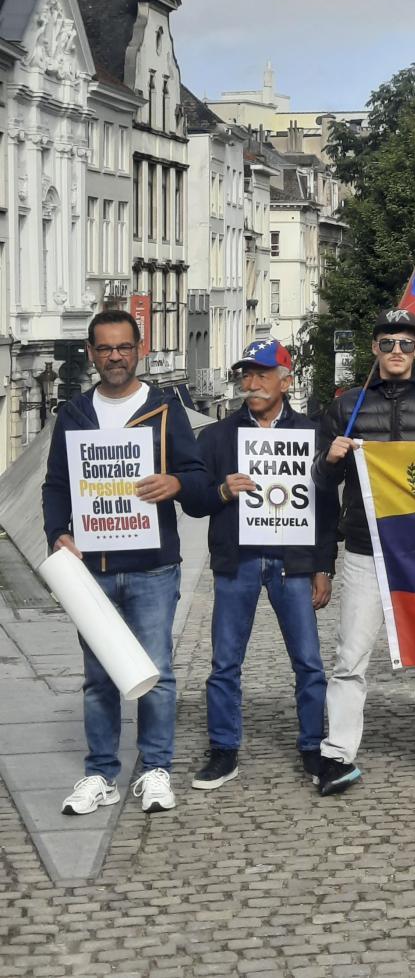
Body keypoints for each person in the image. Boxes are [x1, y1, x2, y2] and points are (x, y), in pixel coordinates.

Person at [42, 310, 210, 816]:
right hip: (91, 569)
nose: (115, 356)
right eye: (105, 348)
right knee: (98, 676)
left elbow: (199, 484)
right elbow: (55, 484)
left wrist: (177, 483)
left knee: (156, 670)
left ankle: (156, 767)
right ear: (91, 353)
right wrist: (58, 534)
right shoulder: (73, 414)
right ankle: (101, 774)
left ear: (139, 349)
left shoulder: (164, 409)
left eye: (123, 347)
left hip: (153, 566)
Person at [312, 308, 415, 797]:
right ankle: (337, 754)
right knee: (350, 658)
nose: (397, 351)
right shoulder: (345, 407)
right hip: (365, 548)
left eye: (406, 343)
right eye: (388, 343)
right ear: (375, 350)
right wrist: (331, 458)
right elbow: (321, 483)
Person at [189, 339, 339, 790]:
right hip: (239, 561)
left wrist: (323, 566)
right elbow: (194, 503)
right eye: (246, 376)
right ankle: (223, 749)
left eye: (262, 375)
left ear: (286, 381)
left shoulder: (313, 436)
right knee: (224, 663)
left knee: (309, 662)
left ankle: (314, 747)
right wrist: (220, 491)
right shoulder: (215, 437)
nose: (251, 385)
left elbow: (326, 509)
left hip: (293, 562)